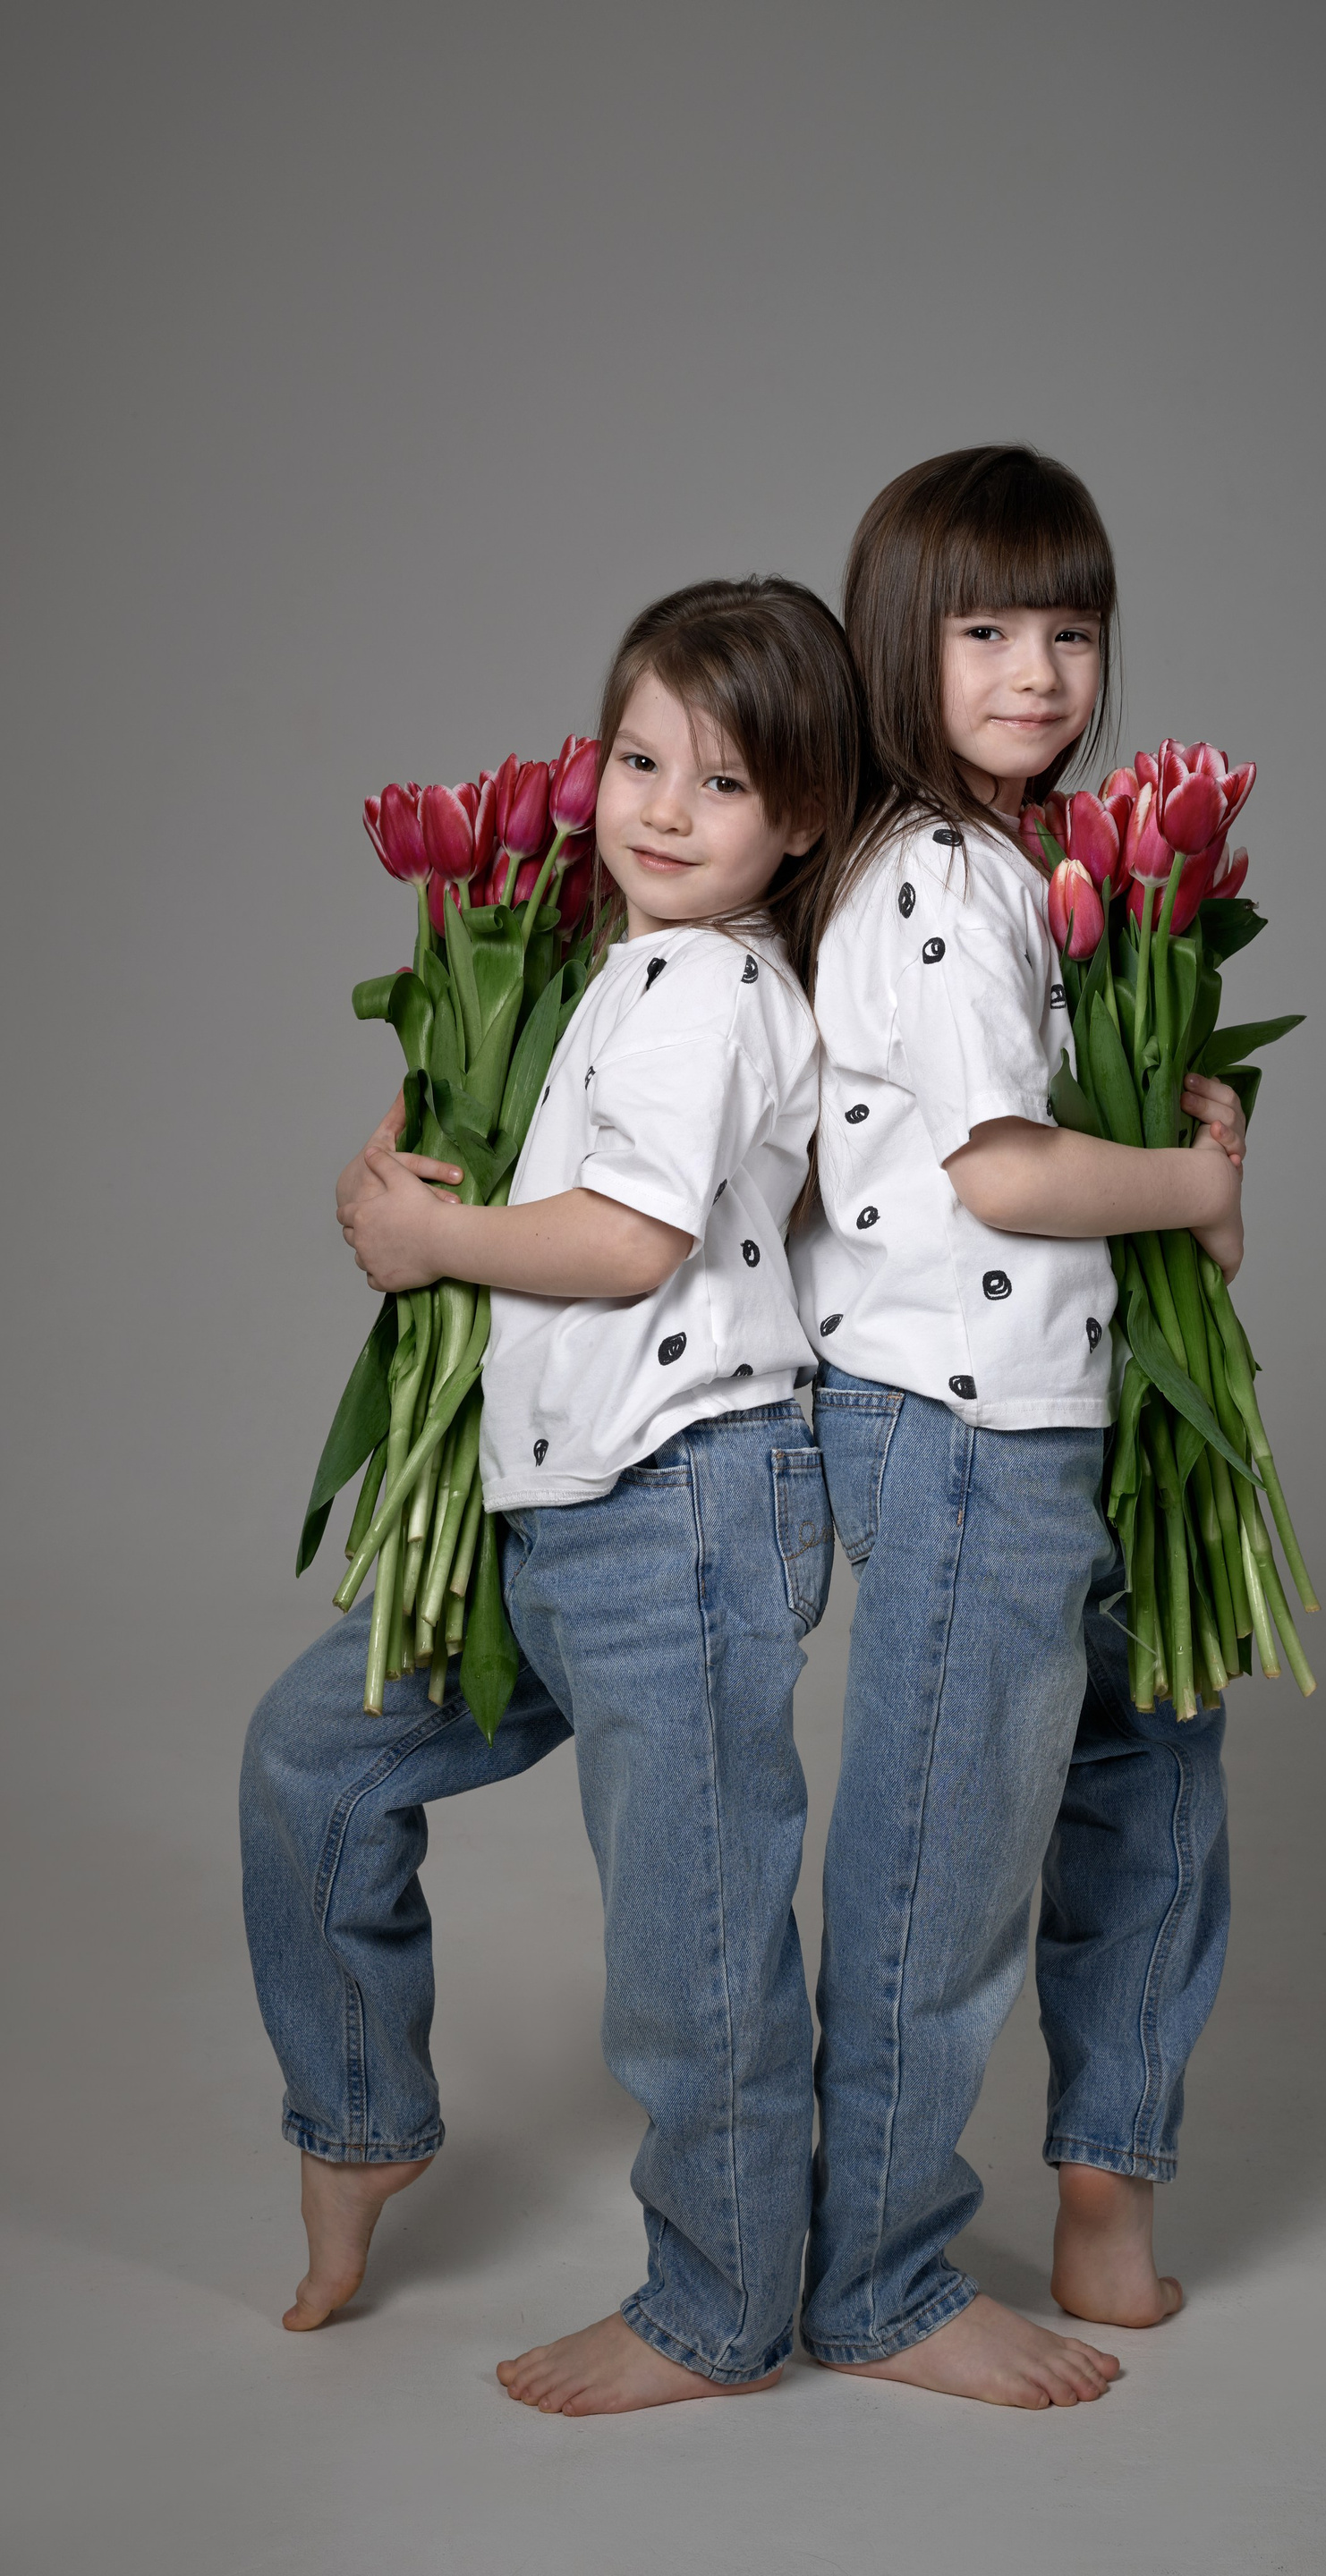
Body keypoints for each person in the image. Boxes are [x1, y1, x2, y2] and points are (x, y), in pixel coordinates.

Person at [241, 577, 859, 2415]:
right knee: (315, 1763)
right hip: (563, 1511)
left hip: (684, 1508)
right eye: (638, 759)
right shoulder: (629, 972)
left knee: (693, 1937)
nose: (663, 810)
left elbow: (628, 1238)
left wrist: (434, 1244)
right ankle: (360, 2118)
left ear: (802, 817)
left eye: (723, 783)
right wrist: (404, 1191)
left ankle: (720, 2309)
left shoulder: (710, 988)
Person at [790, 447, 1246, 2406]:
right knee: (945, 1851)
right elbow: (1006, 1173)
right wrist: (1197, 1186)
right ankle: (878, 2277)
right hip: (962, 1431)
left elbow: (1078, 1133)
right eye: (984, 631)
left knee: (1156, 1774)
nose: (1039, 672)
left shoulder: (1037, 864)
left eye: (1072, 630)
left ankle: (1107, 2185)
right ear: (901, 641)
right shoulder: (930, 880)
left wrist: (1183, 1146)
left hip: (1079, 1407)